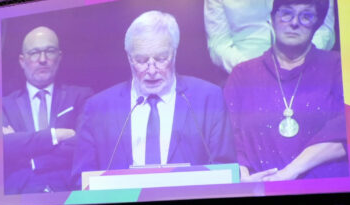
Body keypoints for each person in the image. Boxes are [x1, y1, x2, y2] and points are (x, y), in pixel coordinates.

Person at [72, 10, 236, 186]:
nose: (151, 70)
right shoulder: (98, 108)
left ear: (174, 53)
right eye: (141, 60)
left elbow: (225, 170)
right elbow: (81, 181)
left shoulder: (208, 98)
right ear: (129, 58)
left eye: (160, 58)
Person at [225, 0, 347, 182]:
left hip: (325, 190)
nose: (294, 22)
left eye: (306, 16)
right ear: (272, 19)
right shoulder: (243, 74)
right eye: (286, 13)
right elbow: (229, 136)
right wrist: (241, 180)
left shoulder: (338, 67)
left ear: (318, 23)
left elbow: (349, 130)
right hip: (259, 191)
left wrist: (290, 172)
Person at [3, 26, 93, 194]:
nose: (42, 59)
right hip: (18, 197)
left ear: (59, 58)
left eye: (49, 51)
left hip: (68, 194)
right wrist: (55, 135)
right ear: (22, 61)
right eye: (34, 52)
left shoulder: (81, 96)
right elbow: (5, 147)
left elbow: (83, 145)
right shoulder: (4, 105)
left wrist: (31, 157)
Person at [204, 0, 336, 73]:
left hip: (308, 69)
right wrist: (251, 70)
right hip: (246, 74)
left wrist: (299, 61)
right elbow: (219, 45)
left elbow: (325, 30)